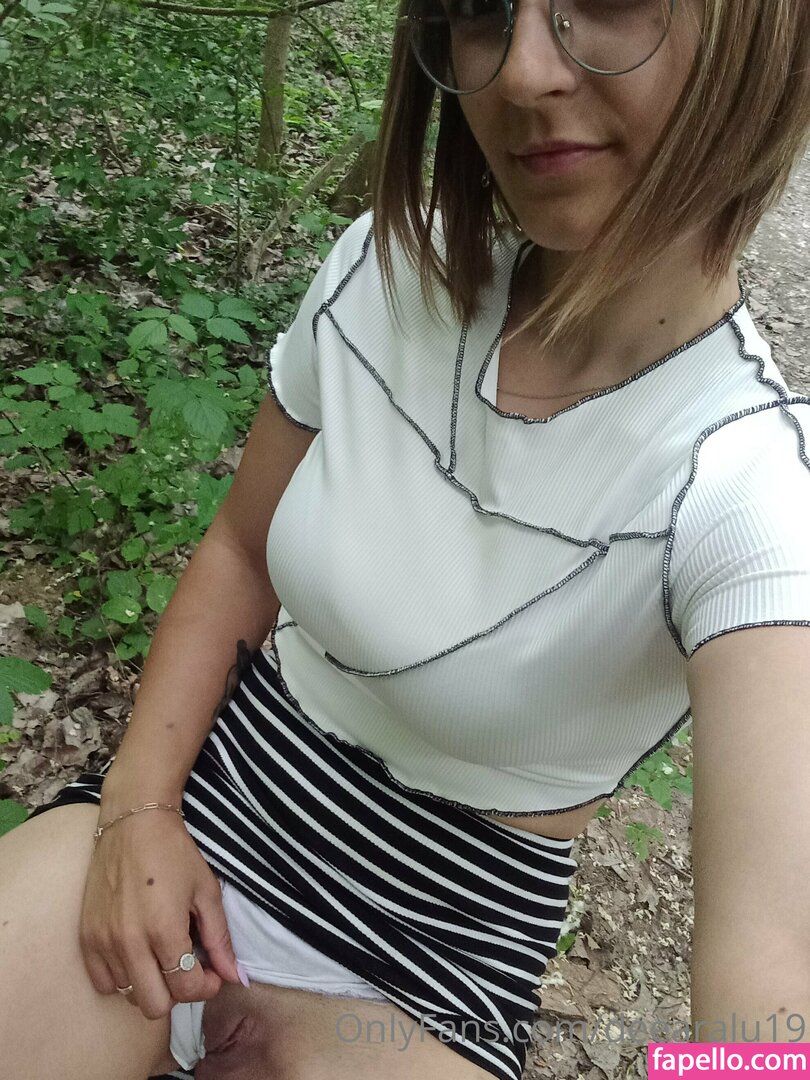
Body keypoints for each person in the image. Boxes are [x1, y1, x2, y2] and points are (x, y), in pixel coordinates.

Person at [2, 0, 809, 1078]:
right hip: (218, 795)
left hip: (435, 958)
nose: (521, 71)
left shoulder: (752, 489)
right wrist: (136, 808)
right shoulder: (389, 269)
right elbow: (240, 548)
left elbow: (772, 981)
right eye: (479, 11)